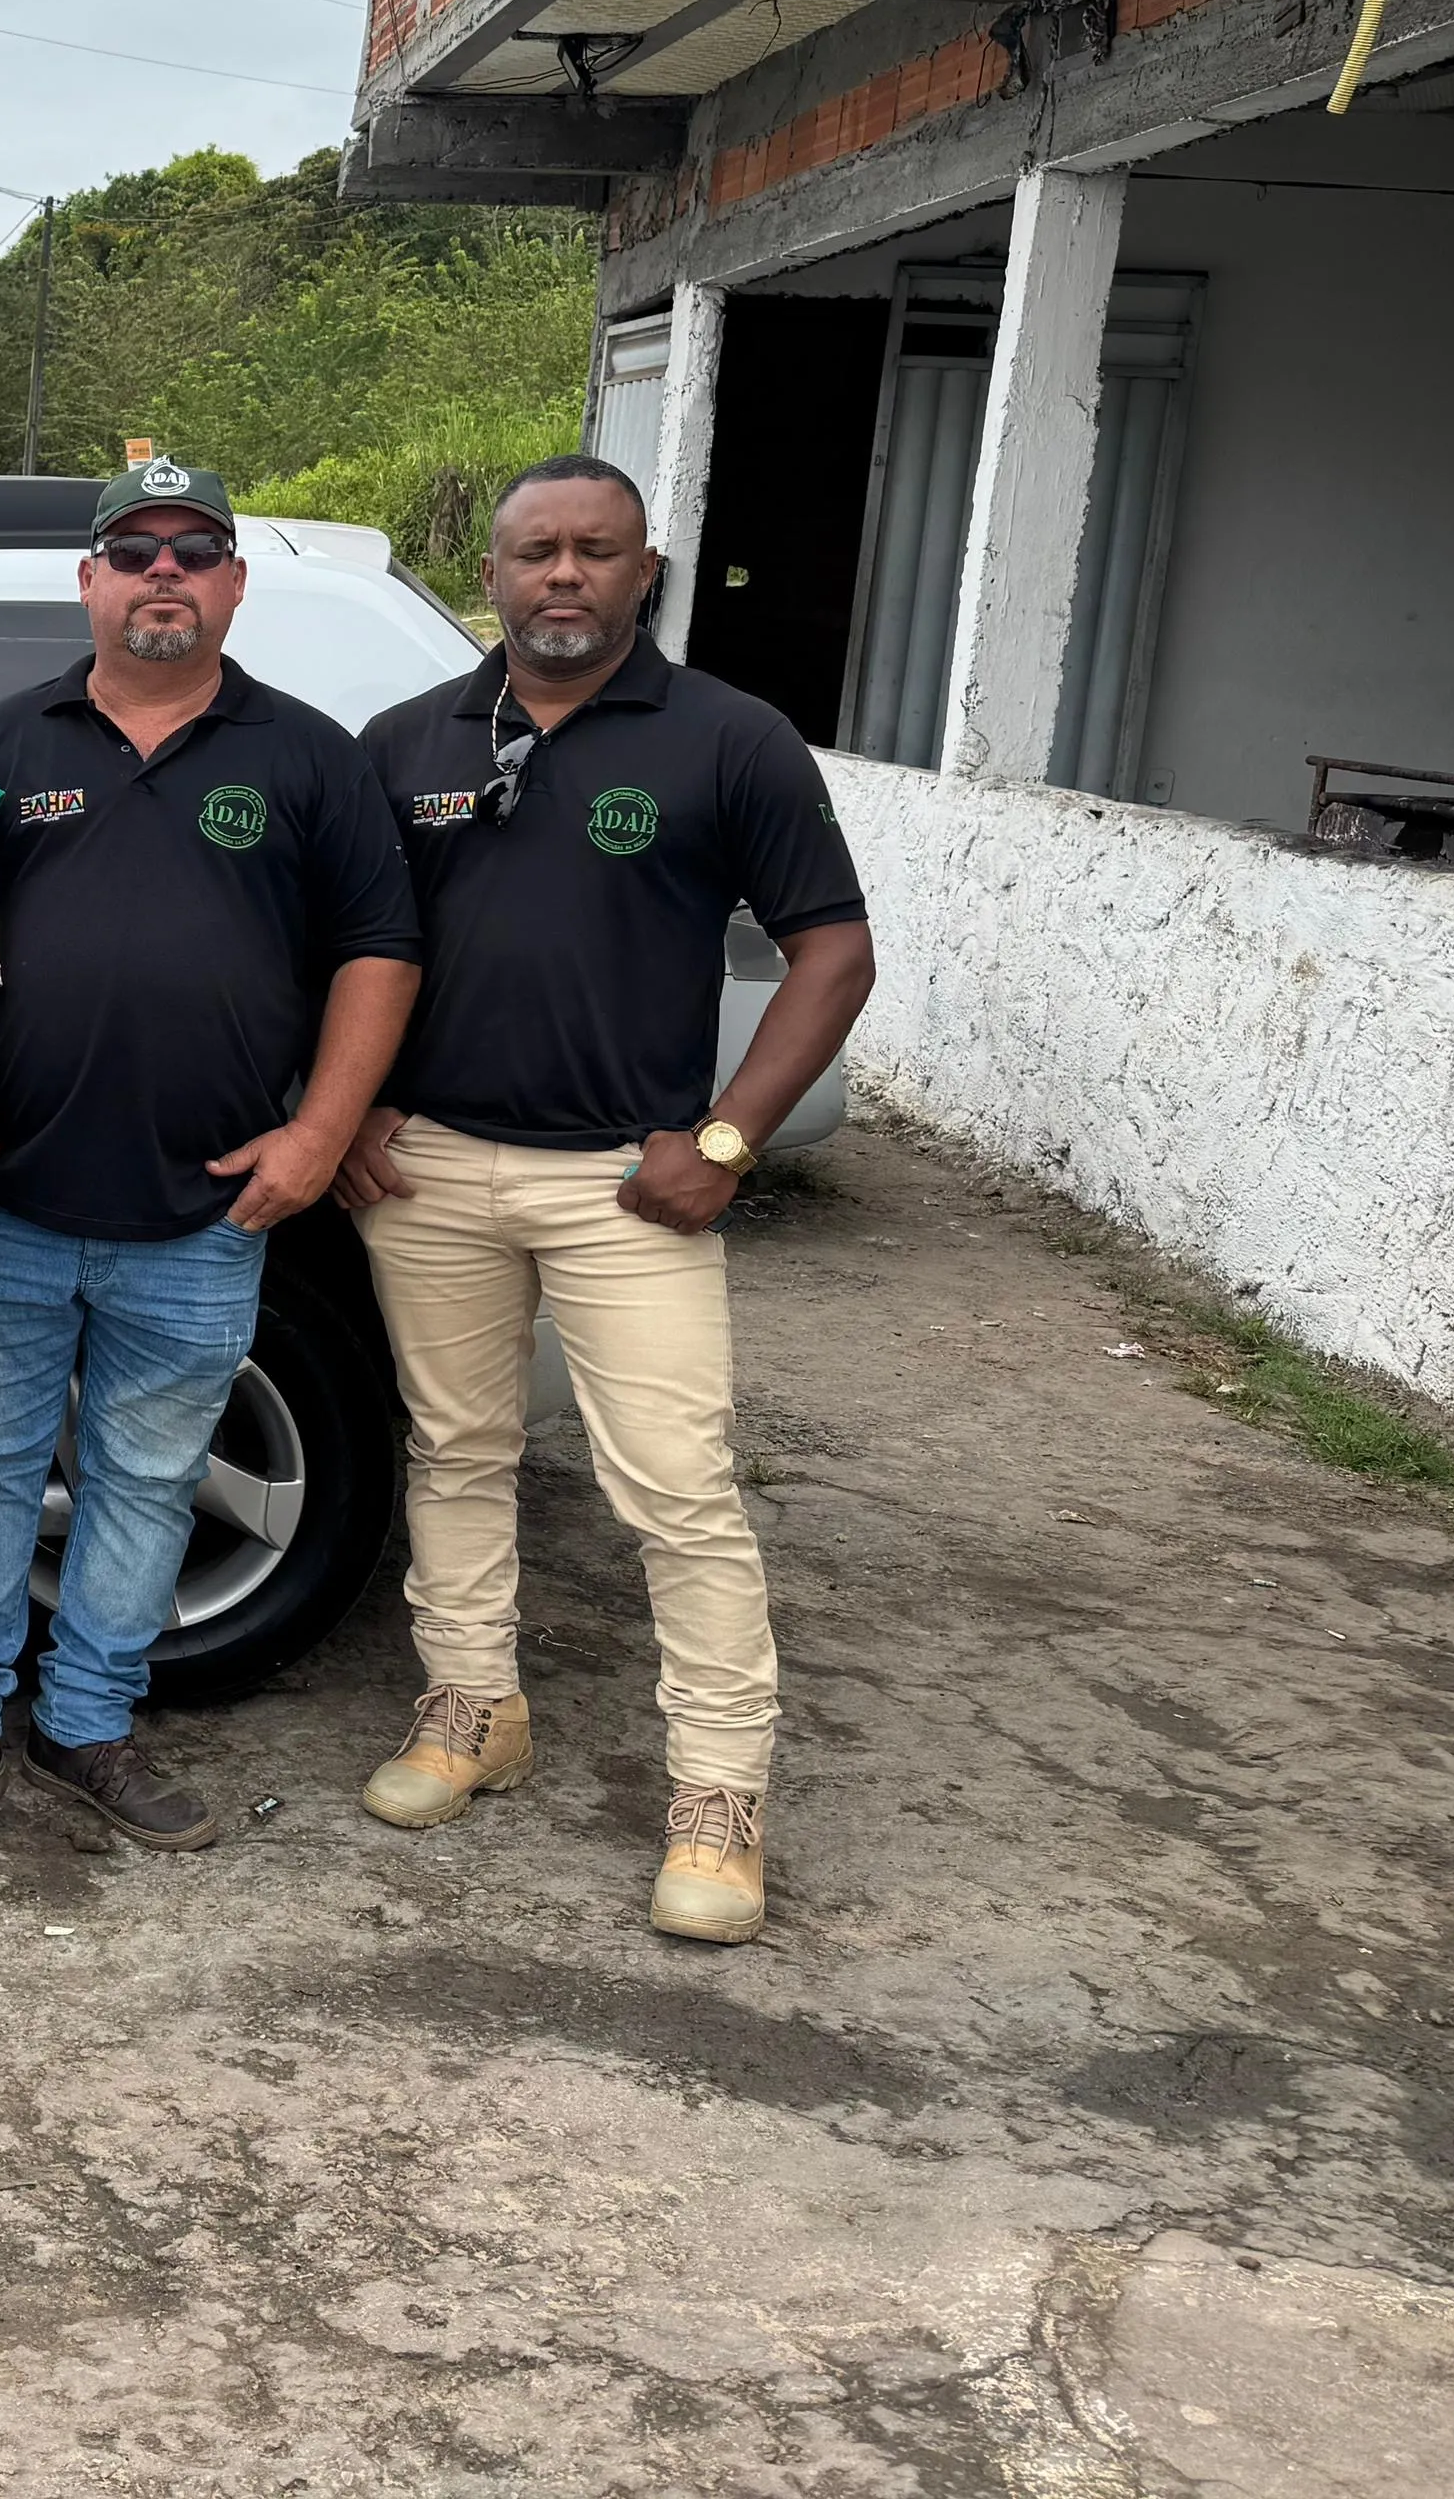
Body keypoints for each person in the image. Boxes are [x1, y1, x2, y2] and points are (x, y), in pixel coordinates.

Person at [340, 454, 876, 1946]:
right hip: (432, 1168)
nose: (562, 577)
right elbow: (353, 948)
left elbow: (832, 952)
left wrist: (723, 1142)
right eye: (534, 553)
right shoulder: (408, 741)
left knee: (680, 1494)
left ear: (647, 573)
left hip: (627, 1187)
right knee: (453, 1450)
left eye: (595, 552)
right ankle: (471, 1710)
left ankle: (719, 1802)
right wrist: (357, 1109)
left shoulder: (730, 740)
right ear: (492, 579)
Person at [0, 458, 424, 1860]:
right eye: (136, 552)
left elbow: (379, 950)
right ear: (92, 583)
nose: (164, 572)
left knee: (145, 1481)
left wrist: (319, 1133)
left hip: (204, 1214)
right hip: (10, 1204)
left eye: (194, 550)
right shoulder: (6, 746)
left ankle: (89, 1726)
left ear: (233, 584)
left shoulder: (308, 756)